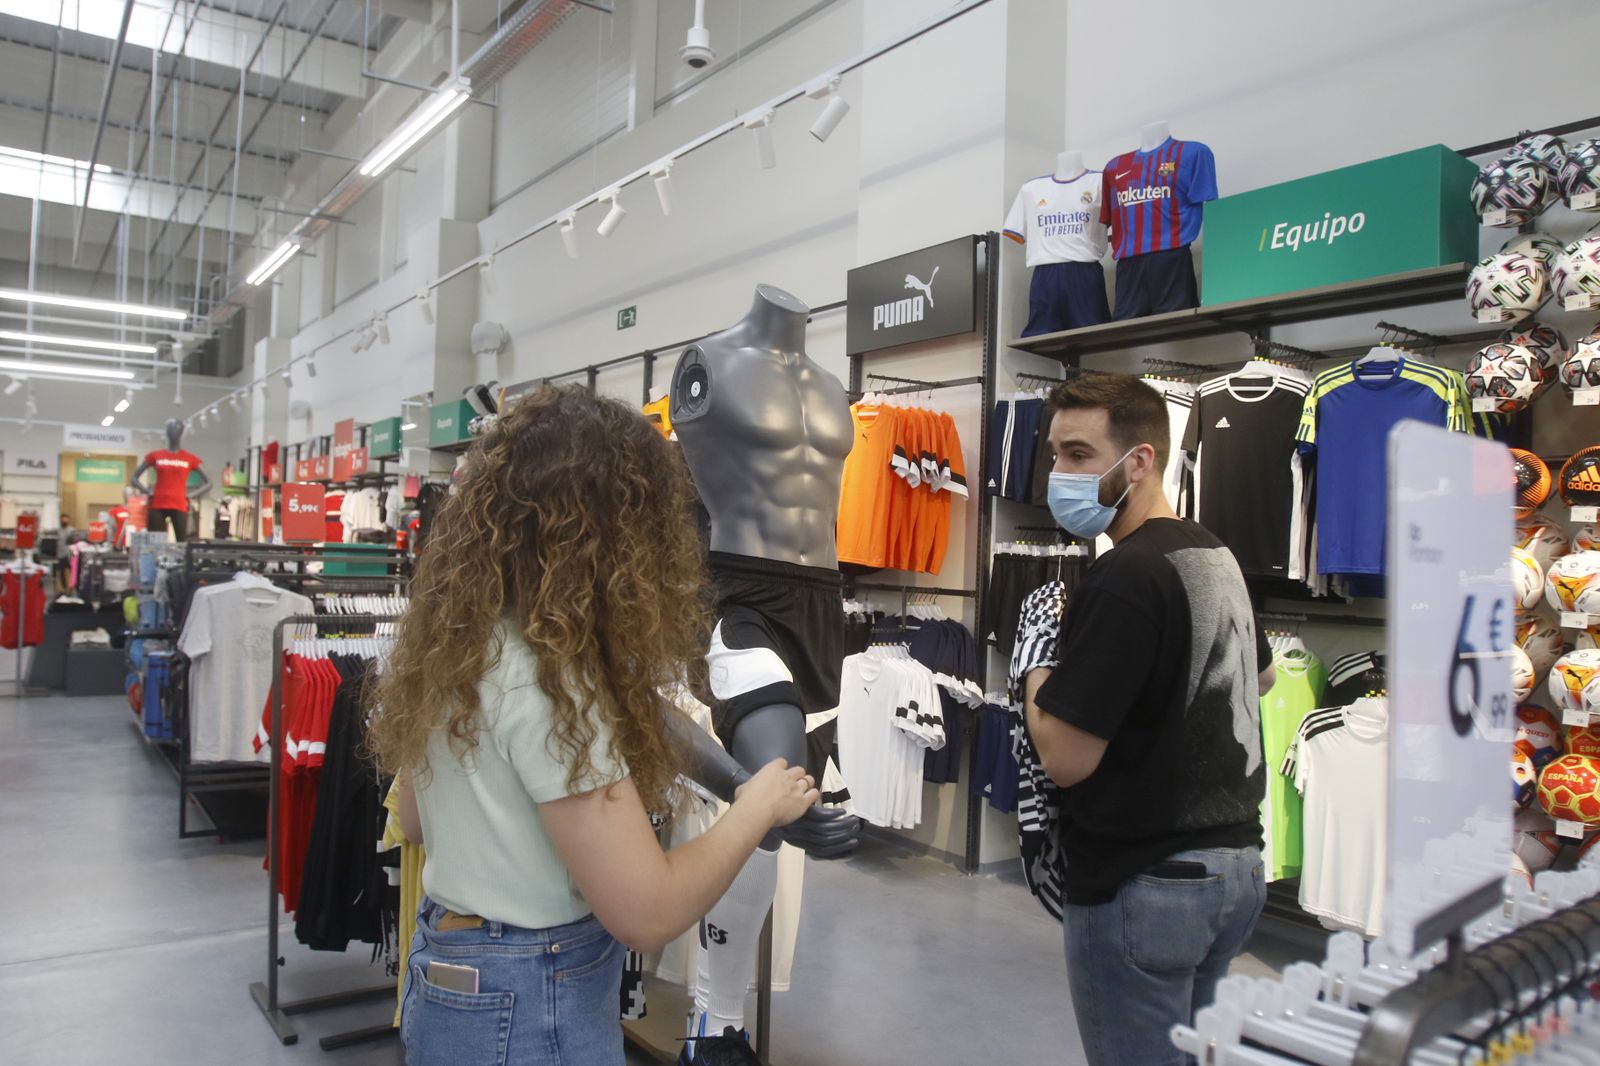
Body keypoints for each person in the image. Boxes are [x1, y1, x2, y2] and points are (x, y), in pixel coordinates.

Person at [368, 386, 821, 1066]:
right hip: (529, 1003)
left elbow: (415, 816)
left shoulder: (460, 642)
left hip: (449, 972)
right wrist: (756, 808)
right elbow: (648, 912)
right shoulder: (552, 687)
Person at [1021, 372, 1274, 1066]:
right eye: (1055, 454)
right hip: (1234, 869)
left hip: (1147, 882)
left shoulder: (1125, 575)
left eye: (1079, 455)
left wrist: (1036, 664)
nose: (1060, 473)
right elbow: (1264, 676)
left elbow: (1065, 760)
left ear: (1139, 462)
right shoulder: (1212, 552)